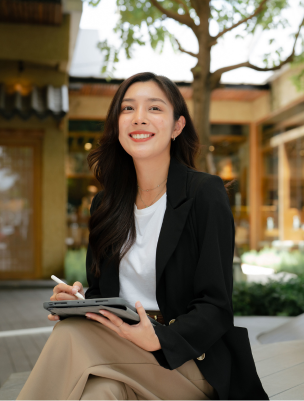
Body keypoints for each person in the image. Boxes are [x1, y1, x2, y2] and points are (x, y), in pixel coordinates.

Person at [17, 72, 268, 400]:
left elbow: (216, 307)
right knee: (100, 393)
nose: (138, 118)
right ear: (117, 125)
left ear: (177, 126)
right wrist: (79, 301)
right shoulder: (105, 204)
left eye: (154, 109)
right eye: (127, 109)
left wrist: (160, 339)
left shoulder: (204, 194)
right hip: (120, 346)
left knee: (71, 334)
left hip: (185, 358)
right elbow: (103, 293)